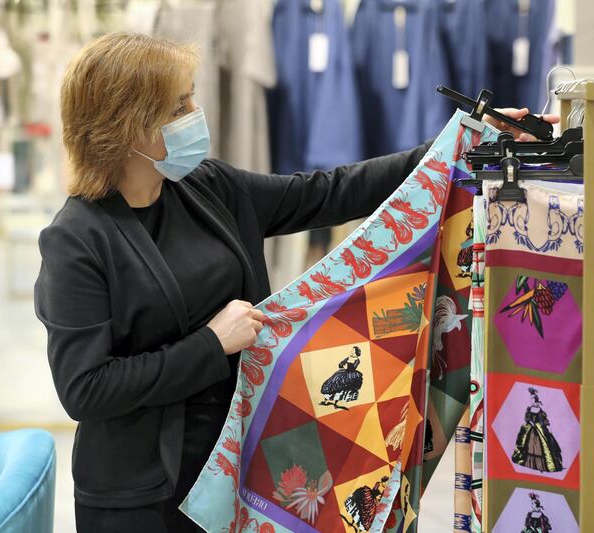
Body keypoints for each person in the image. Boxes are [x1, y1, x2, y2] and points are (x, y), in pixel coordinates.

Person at [34, 32, 558, 532]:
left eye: (190, 101)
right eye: (178, 108)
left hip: (241, 463)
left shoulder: (206, 188)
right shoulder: (77, 240)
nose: (194, 117)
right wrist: (211, 345)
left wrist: (461, 143)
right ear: (127, 126)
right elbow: (85, 389)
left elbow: (328, 193)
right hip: (143, 497)